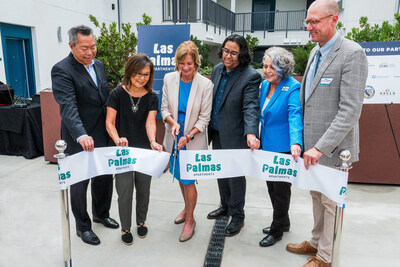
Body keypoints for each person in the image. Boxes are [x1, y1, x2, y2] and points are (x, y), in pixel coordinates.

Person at [285, 1, 368, 266]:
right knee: (316, 196)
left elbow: (350, 110)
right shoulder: (315, 52)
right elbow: (307, 100)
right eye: (306, 22)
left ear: (334, 20)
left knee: (330, 202)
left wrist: (320, 147)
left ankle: (325, 257)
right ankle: (317, 241)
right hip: (312, 147)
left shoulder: (352, 53)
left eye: (314, 22)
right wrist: (302, 142)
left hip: (334, 149)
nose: (309, 27)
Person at [51, 25, 119, 246]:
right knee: (80, 184)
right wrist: (81, 134)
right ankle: (83, 227)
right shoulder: (62, 70)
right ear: (71, 46)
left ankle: (101, 213)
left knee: (104, 177)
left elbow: (102, 98)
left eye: (93, 46)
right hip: (78, 137)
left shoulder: (98, 65)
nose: (90, 52)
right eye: (84, 48)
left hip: (102, 133)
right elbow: (67, 106)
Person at [207, 34, 261, 237]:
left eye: (233, 53)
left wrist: (251, 133)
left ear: (242, 54)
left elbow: (250, 107)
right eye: (225, 50)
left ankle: (238, 216)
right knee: (221, 171)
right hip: (217, 132)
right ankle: (225, 206)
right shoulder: (217, 70)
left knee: (235, 176)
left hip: (237, 135)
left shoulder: (250, 76)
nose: (227, 56)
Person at [105, 54, 163, 246]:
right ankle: (125, 227)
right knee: (125, 189)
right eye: (138, 73)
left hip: (144, 151)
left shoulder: (152, 97)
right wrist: (117, 139)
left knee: (144, 189)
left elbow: (150, 122)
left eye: (146, 74)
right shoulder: (116, 94)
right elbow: (109, 123)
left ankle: (141, 221)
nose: (142, 78)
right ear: (130, 72)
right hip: (123, 152)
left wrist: (153, 141)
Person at [161, 41, 213, 242]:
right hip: (173, 138)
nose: (185, 68)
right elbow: (164, 109)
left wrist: (188, 135)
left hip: (192, 140)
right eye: (182, 63)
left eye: (189, 63)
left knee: (189, 181)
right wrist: (173, 123)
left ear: (196, 63)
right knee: (180, 177)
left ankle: (190, 219)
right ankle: (186, 208)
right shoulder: (169, 79)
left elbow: (204, 118)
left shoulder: (205, 84)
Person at [258, 47, 303, 247]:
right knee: (271, 188)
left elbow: (294, 115)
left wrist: (296, 142)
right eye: (265, 66)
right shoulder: (264, 86)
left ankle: (276, 231)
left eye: (272, 67)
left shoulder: (292, 87)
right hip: (267, 146)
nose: (267, 70)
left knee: (281, 191)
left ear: (283, 68)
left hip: (285, 148)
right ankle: (283, 222)